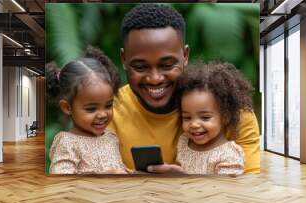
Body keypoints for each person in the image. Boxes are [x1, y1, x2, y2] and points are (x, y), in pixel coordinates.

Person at [109, 3, 260, 173]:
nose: (155, 79)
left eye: (167, 65)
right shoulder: (107, 111)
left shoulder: (230, 107)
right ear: (123, 59)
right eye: (140, 67)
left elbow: (250, 189)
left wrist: (186, 185)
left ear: (185, 55)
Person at [159, 61, 253, 175]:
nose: (194, 124)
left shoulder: (229, 155)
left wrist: (184, 177)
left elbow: (227, 189)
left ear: (225, 117)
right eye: (187, 117)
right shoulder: (184, 142)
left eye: (205, 117)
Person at [47, 46, 128, 174]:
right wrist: (105, 177)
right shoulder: (67, 143)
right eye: (91, 109)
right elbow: (62, 182)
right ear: (67, 108)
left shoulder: (111, 137)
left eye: (108, 105)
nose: (102, 114)